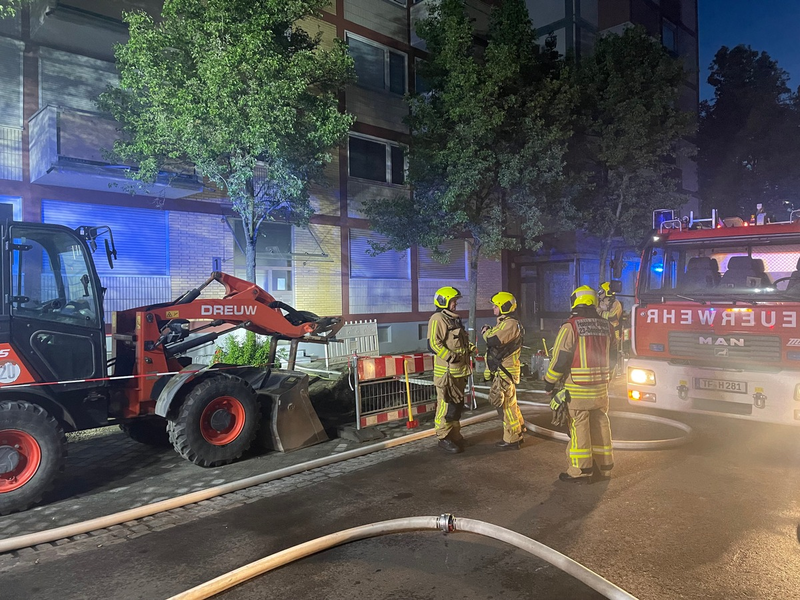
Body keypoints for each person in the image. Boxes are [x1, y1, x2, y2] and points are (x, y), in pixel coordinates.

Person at [545, 285, 615, 483]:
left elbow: (560, 359)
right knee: (601, 423)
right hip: (601, 388)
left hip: (578, 388)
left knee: (579, 426)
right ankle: (605, 466)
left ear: (575, 300)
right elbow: (614, 357)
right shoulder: (607, 326)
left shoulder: (571, 326)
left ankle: (580, 470)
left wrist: (549, 383)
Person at [428, 286, 473, 454]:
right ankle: (443, 437)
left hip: (458, 371)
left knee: (456, 405)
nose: (455, 304)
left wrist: (468, 348)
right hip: (446, 373)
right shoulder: (437, 318)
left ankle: (455, 435)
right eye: (453, 301)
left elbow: (457, 342)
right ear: (444, 301)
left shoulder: (453, 319)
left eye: (455, 301)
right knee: (445, 406)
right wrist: (450, 357)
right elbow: (433, 343)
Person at [482, 291, 525, 450]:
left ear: (503, 307)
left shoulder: (510, 324)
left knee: (504, 405)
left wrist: (486, 332)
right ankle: (518, 431)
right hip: (504, 370)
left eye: (496, 305)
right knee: (509, 403)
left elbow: (493, 340)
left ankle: (512, 438)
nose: (493, 308)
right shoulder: (505, 322)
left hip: (505, 371)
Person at [598, 281, 623, 375]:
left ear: (607, 291)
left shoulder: (616, 303)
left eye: (602, 291)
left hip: (614, 333)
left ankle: (613, 372)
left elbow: (613, 316)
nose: (599, 293)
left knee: (613, 353)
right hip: (601, 332)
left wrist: (600, 313)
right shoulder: (599, 303)